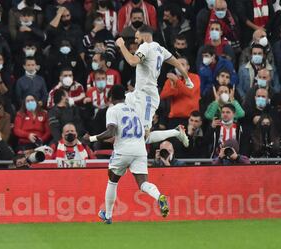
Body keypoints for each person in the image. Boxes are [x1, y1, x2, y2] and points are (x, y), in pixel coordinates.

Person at [83, 85, 169, 224]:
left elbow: (111, 132)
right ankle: (159, 196)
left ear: (110, 98)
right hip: (140, 150)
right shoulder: (135, 110)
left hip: (123, 150)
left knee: (112, 180)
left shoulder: (112, 110)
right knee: (143, 183)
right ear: (124, 97)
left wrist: (91, 138)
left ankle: (108, 215)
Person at [116, 26, 193, 147]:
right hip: (138, 94)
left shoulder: (145, 46)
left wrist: (121, 45)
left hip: (147, 97)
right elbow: (177, 62)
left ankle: (176, 132)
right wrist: (187, 78)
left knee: (144, 137)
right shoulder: (160, 49)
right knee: (124, 117)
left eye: (137, 38)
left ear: (145, 36)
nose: (135, 41)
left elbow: (132, 61)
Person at [160, 57, 200, 128]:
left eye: (182, 64)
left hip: (190, 119)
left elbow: (190, 92)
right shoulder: (171, 80)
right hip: (174, 118)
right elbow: (162, 95)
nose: (179, 67)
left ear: (188, 67)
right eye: (176, 64)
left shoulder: (195, 77)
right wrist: (173, 88)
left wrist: (177, 82)